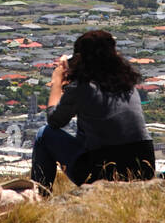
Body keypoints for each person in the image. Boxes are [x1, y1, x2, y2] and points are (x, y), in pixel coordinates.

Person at [30, 30, 155, 193]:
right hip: (144, 169)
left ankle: (39, 196)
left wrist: (57, 82)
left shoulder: (83, 86)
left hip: (103, 172)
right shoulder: (127, 85)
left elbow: (55, 121)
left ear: (80, 59)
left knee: (43, 135)